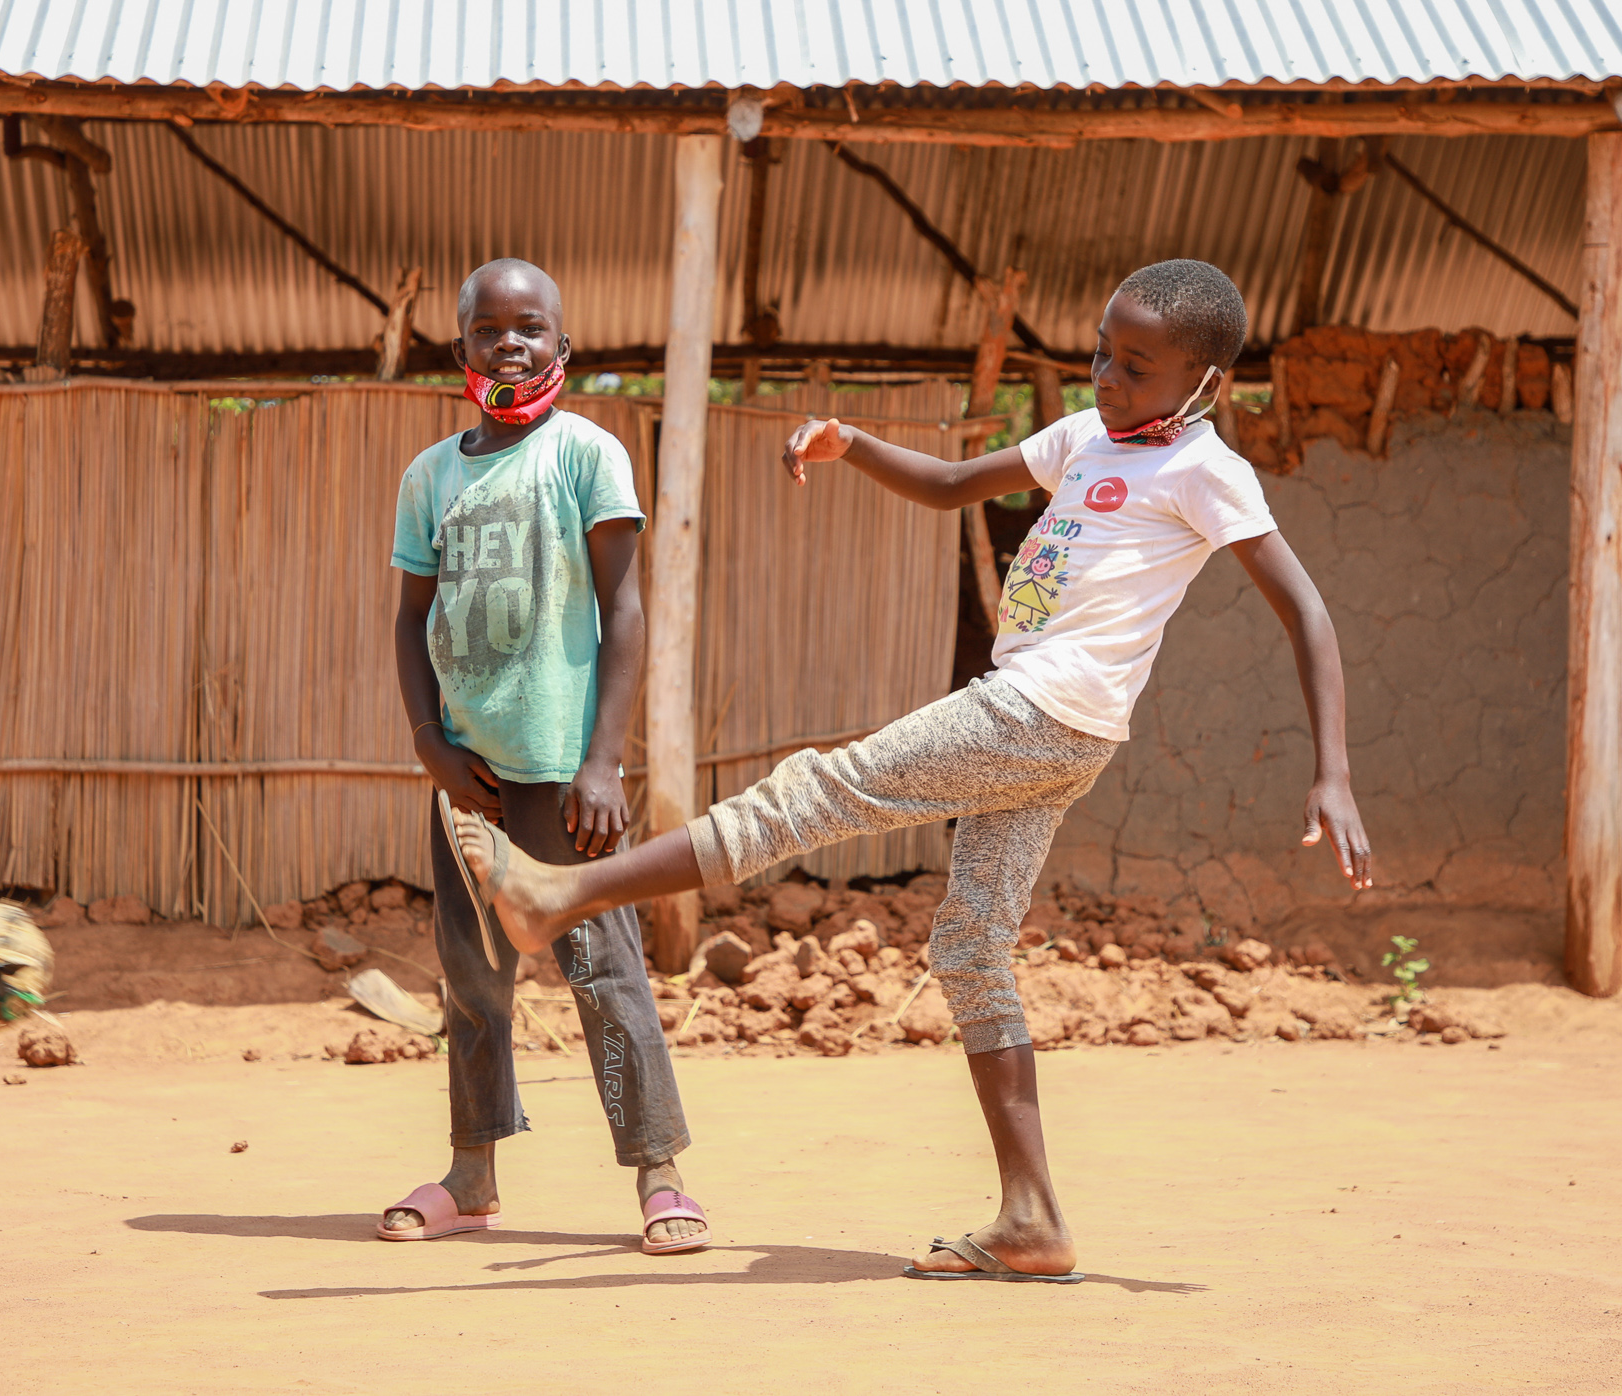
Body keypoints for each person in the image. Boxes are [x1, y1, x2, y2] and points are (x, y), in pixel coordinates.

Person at [443, 259, 1373, 1282]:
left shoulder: (1204, 469)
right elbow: (947, 485)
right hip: (1057, 733)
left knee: (813, 790)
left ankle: (559, 892)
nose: (1105, 374)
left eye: (1135, 365)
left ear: (1203, 382)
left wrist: (1330, 769)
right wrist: (854, 444)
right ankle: (1031, 1217)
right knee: (970, 945)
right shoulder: (1080, 439)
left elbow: (1306, 608)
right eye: (1100, 351)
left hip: (1039, 712)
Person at [382, 258, 709, 1254]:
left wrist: (604, 760)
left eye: (531, 329)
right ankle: (471, 1174)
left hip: (565, 779)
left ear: (561, 348)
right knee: (470, 979)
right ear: (461, 348)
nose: (510, 345)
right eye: (490, 330)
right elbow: (409, 621)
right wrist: (429, 743)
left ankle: (658, 1170)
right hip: (466, 783)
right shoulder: (429, 476)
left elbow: (622, 606)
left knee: (602, 970)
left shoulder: (586, 456)